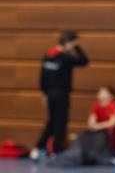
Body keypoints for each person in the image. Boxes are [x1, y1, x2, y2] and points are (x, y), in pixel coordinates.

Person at [30, 30, 89, 161]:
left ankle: (38, 148)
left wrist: (44, 94)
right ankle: (55, 152)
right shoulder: (65, 57)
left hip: (49, 94)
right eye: (73, 44)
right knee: (60, 124)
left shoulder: (48, 55)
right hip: (61, 94)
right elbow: (85, 61)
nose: (73, 47)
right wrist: (77, 47)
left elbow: (42, 77)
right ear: (68, 43)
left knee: (51, 122)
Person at [87, 86, 115, 150]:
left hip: (107, 130)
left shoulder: (112, 106)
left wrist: (98, 126)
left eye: (104, 93)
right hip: (98, 129)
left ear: (111, 96)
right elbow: (91, 121)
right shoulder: (96, 105)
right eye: (100, 93)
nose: (102, 95)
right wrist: (93, 126)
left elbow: (113, 122)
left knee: (101, 137)